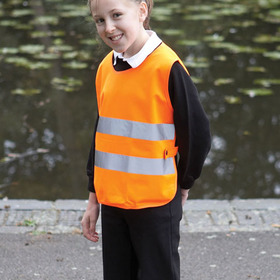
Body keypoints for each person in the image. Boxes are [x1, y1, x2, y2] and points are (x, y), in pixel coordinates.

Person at [81, 0, 211, 279]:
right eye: (99, 20)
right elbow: (102, 136)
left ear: (142, 11)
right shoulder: (106, 68)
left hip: (156, 204)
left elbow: (197, 135)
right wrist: (94, 199)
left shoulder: (167, 67)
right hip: (114, 204)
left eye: (116, 15)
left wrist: (184, 184)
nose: (109, 27)